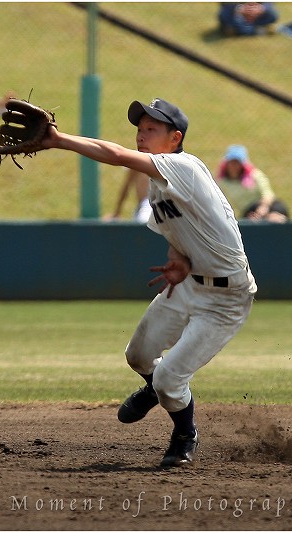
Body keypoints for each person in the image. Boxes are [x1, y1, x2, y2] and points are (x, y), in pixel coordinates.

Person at [41, 98, 257, 468]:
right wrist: (179, 261)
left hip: (226, 298)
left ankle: (185, 432)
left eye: (151, 129)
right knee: (137, 355)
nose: (141, 135)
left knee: (171, 378)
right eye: (139, 129)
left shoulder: (183, 167)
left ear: (175, 138)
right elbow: (183, 233)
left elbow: (117, 155)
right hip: (190, 284)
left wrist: (59, 140)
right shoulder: (159, 186)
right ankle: (156, 388)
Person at [216, 144, 289, 222]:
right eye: (232, 162)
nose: (234, 166)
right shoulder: (222, 182)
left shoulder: (255, 175)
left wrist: (263, 208)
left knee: (278, 211)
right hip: (248, 212)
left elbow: (268, 195)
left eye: (237, 162)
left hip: (267, 207)